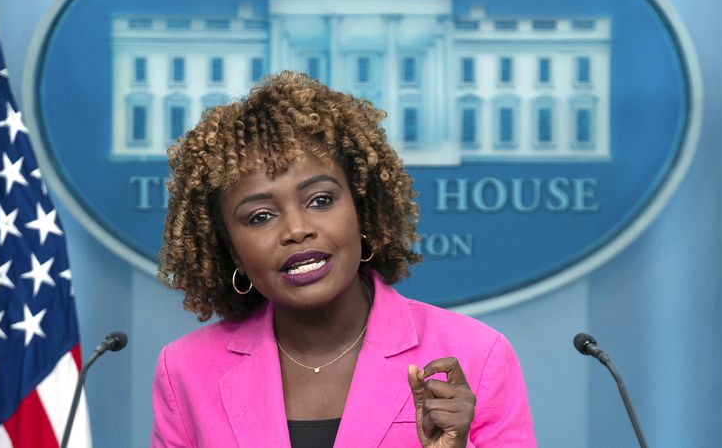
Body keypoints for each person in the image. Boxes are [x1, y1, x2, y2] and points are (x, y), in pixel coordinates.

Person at [152, 71, 535, 447]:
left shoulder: (474, 354)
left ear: (360, 209)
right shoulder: (185, 370)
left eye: (320, 200)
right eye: (260, 217)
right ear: (232, 250)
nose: (297, 229)